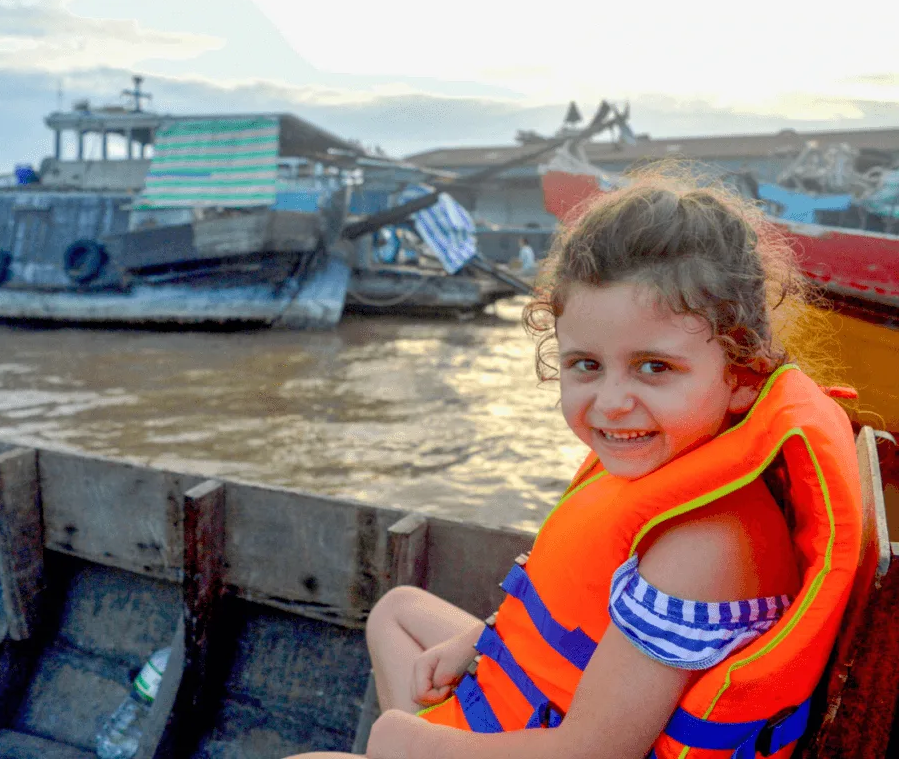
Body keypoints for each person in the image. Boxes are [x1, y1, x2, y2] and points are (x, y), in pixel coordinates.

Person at [284, 172, 862, 759]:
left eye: (654, 367)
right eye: (586, 365)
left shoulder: (706, 549)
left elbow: (592, 750)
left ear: (740, 375)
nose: (610, 401)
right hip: (531, 706)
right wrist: (479, 640)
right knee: (397, 613)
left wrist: (408, 743)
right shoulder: (664, 464)